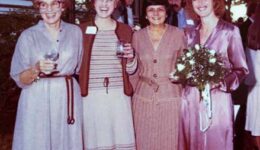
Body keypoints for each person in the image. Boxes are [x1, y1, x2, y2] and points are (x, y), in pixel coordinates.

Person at [10, 0, 83, 150]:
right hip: (36, 97)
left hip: (66, 96)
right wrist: (36, 68)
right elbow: (19, 78)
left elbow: (80, 66)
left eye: (54, 3)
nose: (49, 9)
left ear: (63, 6)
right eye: (44, 4)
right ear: (39, 8)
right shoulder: (28, 36)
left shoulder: (75, 32)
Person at [179, 0, 248, 150]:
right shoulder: (188, 33)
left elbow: (241, 70)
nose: (201, 3)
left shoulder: (230, 31)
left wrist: (219, 82)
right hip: (190, 100)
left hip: (217, 101)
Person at [78, 0, 136, 149]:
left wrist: (131, 58)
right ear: (93, 3)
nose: (104, 4)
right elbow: (75, 67)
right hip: (91, 97)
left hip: (119, 97)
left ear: (116, 3)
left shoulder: (126, 30)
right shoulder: (80, 30)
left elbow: (131, 70)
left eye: (109, 0)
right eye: (100, 0)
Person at [130, 0, 186, 149]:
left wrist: (180, 77)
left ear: (167, 13)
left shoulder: (178, 34)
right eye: (151, 10)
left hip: (171, 96)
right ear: (146, 15)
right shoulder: (137, 36)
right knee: (144, 139)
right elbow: (133, 70)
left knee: (170, 139)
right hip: (143, 97)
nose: (156, 13)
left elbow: (186, 66)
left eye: (160, 9)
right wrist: (132, 92)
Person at [245, 3, 260, 149]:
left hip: (255, 89)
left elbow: (249, 75)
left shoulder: (252, 33)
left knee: (257, 128)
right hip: (257, 89)